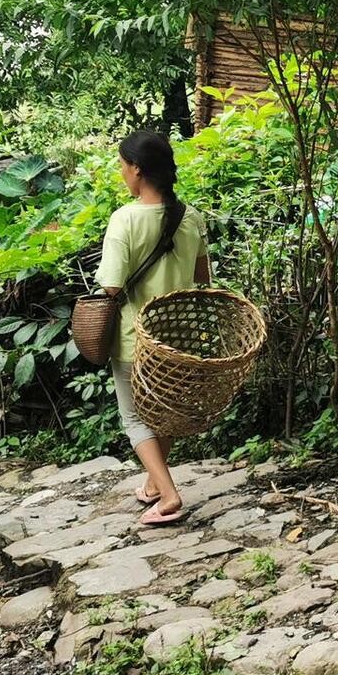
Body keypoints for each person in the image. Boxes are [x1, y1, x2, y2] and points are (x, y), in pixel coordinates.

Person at [95, 130, 210, 525]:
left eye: (122, 166)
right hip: (179, 337)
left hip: (136, 337)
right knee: (167, 414)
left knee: (134, 418)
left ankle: (169, 494)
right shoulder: (191, 216)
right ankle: (152, 485)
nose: (121, 173)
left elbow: (111, 286)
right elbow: (203, 277)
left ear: (138, 170)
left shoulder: (124, 219)